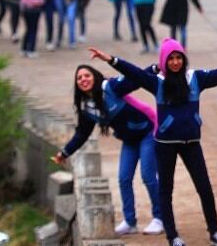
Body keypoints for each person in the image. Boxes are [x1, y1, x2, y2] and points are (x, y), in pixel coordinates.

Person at [88, 39, 217, 246]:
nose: (175, 62)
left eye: (178, 58)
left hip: (191, 143)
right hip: (165, 144)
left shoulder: (195, 78)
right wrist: (111, 60)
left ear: (183, 59)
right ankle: (172, 236)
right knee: (166, 190)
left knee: (204, 188)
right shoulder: (156, 82)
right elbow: (134, 73)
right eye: (171, 59)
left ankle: (214, 231)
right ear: (164, 62)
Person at [52, 64, 164, 236]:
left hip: (147, 132)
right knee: (124, 178)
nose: (83, 80)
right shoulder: (86, 107)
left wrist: (156, 68)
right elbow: (82, 134)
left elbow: (135, 78)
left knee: (148, 175)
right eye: (79, 78)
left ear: (95, 77)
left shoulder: (110, 87)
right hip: (129, 140)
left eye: (87, 76)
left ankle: (160, 218)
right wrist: (64, 153)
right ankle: (130, 222)